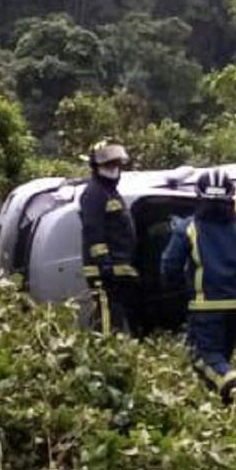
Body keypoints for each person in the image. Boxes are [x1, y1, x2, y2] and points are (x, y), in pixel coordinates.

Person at [161, 169, 236, 407]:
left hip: (206, 309)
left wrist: (175, 293)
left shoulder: (187, 229)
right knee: (221, 357)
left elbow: (169, 266)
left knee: (203, 358)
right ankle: (225, 405)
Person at [80, 140, 138, 335]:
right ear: (96, 166)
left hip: (116, 270)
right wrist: (104, 265)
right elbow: (93, 231)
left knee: (115, 318)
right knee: (106, 324)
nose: (114, 168)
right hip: (103, 273)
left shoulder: (110, 192)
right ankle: (104, 358)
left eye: (116, 163)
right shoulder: (94, 194)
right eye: (108, 164)